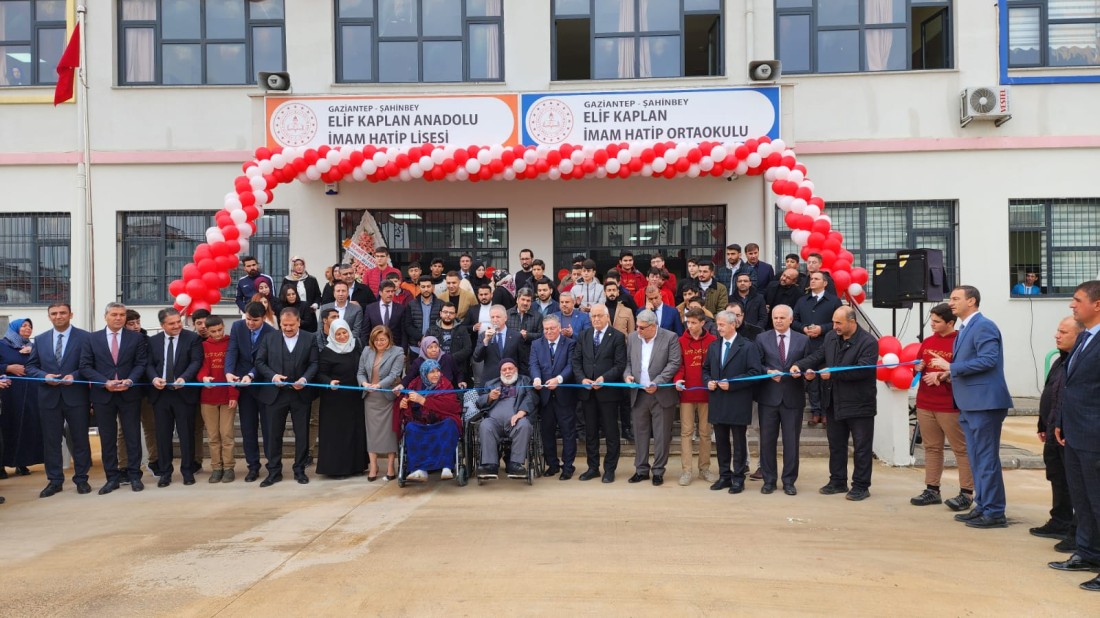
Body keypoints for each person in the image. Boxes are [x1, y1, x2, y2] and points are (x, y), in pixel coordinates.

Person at [927, 285, 1014, 528]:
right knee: (976, 458)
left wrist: (950, 368)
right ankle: (983, 505)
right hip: (969, 403)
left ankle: (995, 512)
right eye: (950, 298)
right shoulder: (966, 328)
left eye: (956, 298)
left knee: (986, 459)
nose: (951, 302)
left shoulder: (984, 326)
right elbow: (970, 363)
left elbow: (988, 359)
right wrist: (950, 375)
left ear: (972, 301)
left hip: (985, 403)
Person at [791, 307, 879, 501]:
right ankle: (837, 481)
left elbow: (863, 370)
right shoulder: (831, 337)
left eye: (839, 323)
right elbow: (818, 356)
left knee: (861, 447)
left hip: (859, 404)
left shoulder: (868, 342)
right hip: (833, 401)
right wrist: (801, 365)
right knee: (836, 445)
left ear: (852, 322)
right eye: (833, 322)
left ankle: (861, 485)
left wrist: (833, 373)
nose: (835, 326)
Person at [1049, 280, 1100, 590]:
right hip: (1075, 433)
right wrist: (1062, 422)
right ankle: (1088, 552)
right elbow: (1072, 385)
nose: (1072, 305)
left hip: (1095, 435)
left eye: (1077, 300)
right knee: (1083, 500)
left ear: (1097, 304)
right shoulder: (1084, 339)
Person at [79, 302, 149, 494]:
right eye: (114, 314)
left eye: (122, 315)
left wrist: (131, 380)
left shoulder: (136, 338)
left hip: (129, 394)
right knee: (108, 438)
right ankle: (112, 478)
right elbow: (85, 366)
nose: (118, 318)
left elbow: (141, 363)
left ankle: (135, 475)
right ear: (106, 317)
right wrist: (104, 382)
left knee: (132, 436)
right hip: (103, 395)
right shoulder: (92, 339)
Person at [911, 303, 974, 510]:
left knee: (961, 449)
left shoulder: (960, 342)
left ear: (950, 322)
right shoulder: (928, 341)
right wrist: (918, 368)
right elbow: (919, 368)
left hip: (950, 405)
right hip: (925, 402)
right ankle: (932, 489)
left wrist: (943, 376)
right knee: (931, 447)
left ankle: (966, 492)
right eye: (931, 320)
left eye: (937, 321)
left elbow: (965, 372)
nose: (932, 325)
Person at [26, 303, 92, 497]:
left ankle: (81, 479)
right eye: (54, 313)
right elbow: (31, 367)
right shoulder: (40, 339)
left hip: (76, 396)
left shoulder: (85, 337)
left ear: (71, 314)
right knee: (51, 441)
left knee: (79, 439)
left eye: (62, 312)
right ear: (49, 317)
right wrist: (44, 376)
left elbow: (90, 364)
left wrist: (76, 375)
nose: (58, 316)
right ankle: (54, 481)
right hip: (49, 397)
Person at [1030, 316, 1082, 550]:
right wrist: (1043, 424)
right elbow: (1051, 394)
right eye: (1057, 330)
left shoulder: (1080, 363)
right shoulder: (1059, 361)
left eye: (1063, 332)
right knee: (1057, 478)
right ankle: (1059, 520)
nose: (1057, 335)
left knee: (1076, 484)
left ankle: (1077, 532)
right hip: (1052, 430)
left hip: (1071, 433)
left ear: (1079, 336)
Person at [254, 307, 319, 487]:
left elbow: (314, 363)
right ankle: (274, 471)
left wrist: (305, 379)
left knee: (302, 434)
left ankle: (300, 470)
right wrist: (273, 377)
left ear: (299, 322)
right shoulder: (269, 338)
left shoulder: (310, 338)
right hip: (276, 395)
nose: (288, 328)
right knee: (273, 434)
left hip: (301, 395)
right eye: (284, 325)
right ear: (280, 323)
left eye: (291, 325)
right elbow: (259, 362)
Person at [702, 311, 763, 495]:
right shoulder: (714, 346)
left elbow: (755, 373)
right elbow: (705, 369)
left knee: (738, 442)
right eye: (717, 325)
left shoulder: (747, 346)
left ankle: (738, 478)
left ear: (733, 325)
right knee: (720, 442)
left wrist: (733, 383)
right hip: (718, 400)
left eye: (721, 325)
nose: (717, 328)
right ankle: (724, 476)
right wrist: (708, 381)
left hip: (738, 400)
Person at [146, 308, 204, 487]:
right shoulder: (153, 341)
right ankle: (165, 472)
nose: (177, 325)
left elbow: (196, 361)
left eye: (178, 321)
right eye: (172, 323)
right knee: (162, 435)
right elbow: (147, 364)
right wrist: (154, 378)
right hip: (161, 395)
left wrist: (184, 378)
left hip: (183, 394)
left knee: (186, 434)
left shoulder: (192, 338)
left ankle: (187, 471)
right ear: (163, 325)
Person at [624, 310, 682, 487]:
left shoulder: (670, 337)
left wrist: (658, 382)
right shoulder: (633, 338)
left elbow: (674, 363)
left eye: (642, 328)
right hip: (639, 394)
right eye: (637, 326)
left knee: (662, 435)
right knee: (640, 434)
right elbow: (628, 363)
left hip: (661, 394)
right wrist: (627, 376)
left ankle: (658, 471)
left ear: (653, 326)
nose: (638, 331)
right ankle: (641, 469)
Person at [756, 305, 809, 495]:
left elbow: (809, 361)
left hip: (793, 398)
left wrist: (801, 370)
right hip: (768, 398)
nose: (778, 320)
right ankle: (769, 480)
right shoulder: (762, 338)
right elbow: (756, 364)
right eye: (775, 317)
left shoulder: (803, 340)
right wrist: (768, 372)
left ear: (791, 320)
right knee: (767, 441)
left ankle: (789, 481)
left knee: (791, 442)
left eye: (781, 318)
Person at [572, 303, 628, 483]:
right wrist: (582, 379)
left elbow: (620, 364)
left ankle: (609, 469)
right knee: (590, 432)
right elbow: (576, 362)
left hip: (608, 393)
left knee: (611, 432)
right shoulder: (583, 335)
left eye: (599, 316)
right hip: (588, 393)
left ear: (607, 317)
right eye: (593, 316)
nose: (596, 319)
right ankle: (593, 467)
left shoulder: (617, 337)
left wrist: (604, 378)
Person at [225, 302, 276, 482]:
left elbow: (265, 360)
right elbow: (232, 350)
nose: (250, 323)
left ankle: (272, 465)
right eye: (248, 319)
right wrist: (229, 372)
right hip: (244, 388)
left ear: (263, 318)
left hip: (263, 385)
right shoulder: (237, 327)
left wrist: (251, 374)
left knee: (269, 429)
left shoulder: (271, 333)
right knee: (248, 428)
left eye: (255, 320)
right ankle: (253, 466)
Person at [315, 318, 366, 479]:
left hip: (354, 399)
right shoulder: (327, 352)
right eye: (338, 334)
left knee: (354, 432)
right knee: (337, 434)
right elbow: (320, 373)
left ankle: (357, 466)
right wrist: (329, 382)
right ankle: (337, 469)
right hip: (334, 400)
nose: (342, 336)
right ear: (332, 334)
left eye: (344, 332)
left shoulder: (356, 348)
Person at [398, 359, 462, 482]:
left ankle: (446, 466)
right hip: (421, 422)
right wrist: (404, 404)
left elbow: (452, 406)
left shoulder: (445, 384)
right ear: (424, 373)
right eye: (432, 372)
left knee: (450, 425)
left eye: (438, 371)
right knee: (411, 427)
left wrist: (424, 401)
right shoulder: (415, 384)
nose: (436, 374)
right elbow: (408, 407)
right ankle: (419, 469)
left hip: (441, 421)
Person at [673, 308, 718, 486]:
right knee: (686, 433)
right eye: (687, 322)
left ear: (702, 323)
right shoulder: (681, 341)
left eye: (693, 322)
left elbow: (715, 365)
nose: (690, 326)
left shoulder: (713, 341)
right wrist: (677, 380)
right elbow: (679, 365)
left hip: (708, 394)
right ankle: (686, 470)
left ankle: (704, 468)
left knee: (705, 433)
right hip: (687, 394)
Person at [530, 315, 578, 480]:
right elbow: (534, 364)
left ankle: (568, 466)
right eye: (546, 329)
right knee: (547, 432)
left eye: (552, 328)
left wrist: (558, 379)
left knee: (568, 432)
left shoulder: (570, 343)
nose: (549, 331)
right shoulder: (536, 344)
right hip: (545, 396)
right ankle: (552, 464)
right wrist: (536, 378)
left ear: (559, 328)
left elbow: (571, 365)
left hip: (564, 395)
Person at [792, 272, 842, 427]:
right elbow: (794, 320)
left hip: (828, 344)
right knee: (811, 380)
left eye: (816, 279)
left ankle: (826, 413)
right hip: (808, 345)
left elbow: (840, 322)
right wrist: (804, 328)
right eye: (811, 279)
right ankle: (815, 412)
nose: (812, 281)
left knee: (826, 380)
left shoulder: (834, 301)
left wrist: (823, 329)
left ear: (825, 283)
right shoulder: (802, 300)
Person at [358, 325, 405, 481]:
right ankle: (373, 466)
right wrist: (364, 384)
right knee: (372, 434)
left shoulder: (397, 352)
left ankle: (391, 466)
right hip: (370, 398)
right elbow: (360, 372)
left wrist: (379, 385)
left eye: (383, 339)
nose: (379, 342)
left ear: (389, 339)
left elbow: (394, 375)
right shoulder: (366, 351)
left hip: (387, 397)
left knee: (389, 433)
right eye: (377, 339)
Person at [475, 358, 535, 480]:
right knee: (485, 424)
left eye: (510, 369)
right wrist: (489, 397)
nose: (507, 372)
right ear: (500, 372)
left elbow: (531, 398)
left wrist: (520, 413)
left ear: (516, 370)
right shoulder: (491, 384)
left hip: (515, 422)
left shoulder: (525, 381)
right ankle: (490, 465)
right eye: (504, 370)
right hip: (494, 423)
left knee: (524, 424)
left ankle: (515, 464)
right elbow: (479, 403)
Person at [195, 316, 238, 483]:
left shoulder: (231, 343)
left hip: (228, 397)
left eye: (220, 329)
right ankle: (216, 468)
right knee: (213, 436)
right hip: (208, 397)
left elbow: (233, 369)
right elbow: (202, 367)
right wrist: (203, 378)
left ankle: (228, 467)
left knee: (226, 434)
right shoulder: (204, 345)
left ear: (223, 327)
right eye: (213, 331)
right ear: (207, 330)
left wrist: (234, 394)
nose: (218, 333)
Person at [0, 318, 43, 476]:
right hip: (8, 395)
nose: (27, 329)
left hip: (29, 394)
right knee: (7, 428)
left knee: (26, 427)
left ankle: (21, 462)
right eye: (24, 326)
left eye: (30, 326)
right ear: (14, 328)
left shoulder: (32, 347)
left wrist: (31, 351)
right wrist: (8, 367)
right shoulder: (2, 345)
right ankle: (1, 465)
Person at [121, 310, 160, 475]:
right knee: (123, 430)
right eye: (131, 323)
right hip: (124, 392)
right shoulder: (118, 341)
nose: (136, 326)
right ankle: (124, 465)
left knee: (151, 427)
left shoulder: (148, 341)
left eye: (138, 322)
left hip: (147, 391)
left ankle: (155, 460)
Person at [472, 305, 525, 383]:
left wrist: (522, 380)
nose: (495, 320)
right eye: (492, 317)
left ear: (505, 318)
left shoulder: (516, 336)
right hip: (490, 381)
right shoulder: (483, 336)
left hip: (511, 381)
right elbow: (477, 358)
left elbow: (523, 361)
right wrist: (486, 340)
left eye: (498, 317)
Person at [427, 303, 471, 384]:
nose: (448, 315)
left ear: (455, 315)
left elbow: (467, 349)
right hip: (435, 369)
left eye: (451, 313)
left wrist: (450, 358)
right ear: (440, 313)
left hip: (458, 370)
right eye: (445, 312)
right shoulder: (431, 330)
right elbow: (425, 348)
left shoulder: (462, 329)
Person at [362, 279, 407, 350]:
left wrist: (403, 351)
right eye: (387, 291)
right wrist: (367, 349)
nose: (390, 294)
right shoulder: (370, 308)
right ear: (380, 292)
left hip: (395, 349)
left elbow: (404, 333)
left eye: (392, 291)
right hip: (375, 348)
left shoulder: (401, 308)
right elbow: (365, 331)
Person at [406, 276, 443, 356]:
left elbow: (441, 325)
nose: (426, 289)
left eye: (428, 286)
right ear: (419, 287)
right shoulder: (411, 304)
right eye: (423, 287)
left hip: (435, 348)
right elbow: (408, 325)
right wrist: (421, 337)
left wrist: (430, 339)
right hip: (416, 347)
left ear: (432, 287)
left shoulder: (441, 304)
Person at [506, 288, 543, 362]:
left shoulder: (538, 316)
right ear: (517, 300)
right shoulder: (507, 314)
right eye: (523, 299)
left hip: (529, 356)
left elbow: (542, 335)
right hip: (510, 355)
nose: (525, 303)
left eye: (528, 300)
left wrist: (527, 335)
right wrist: (515, 336)